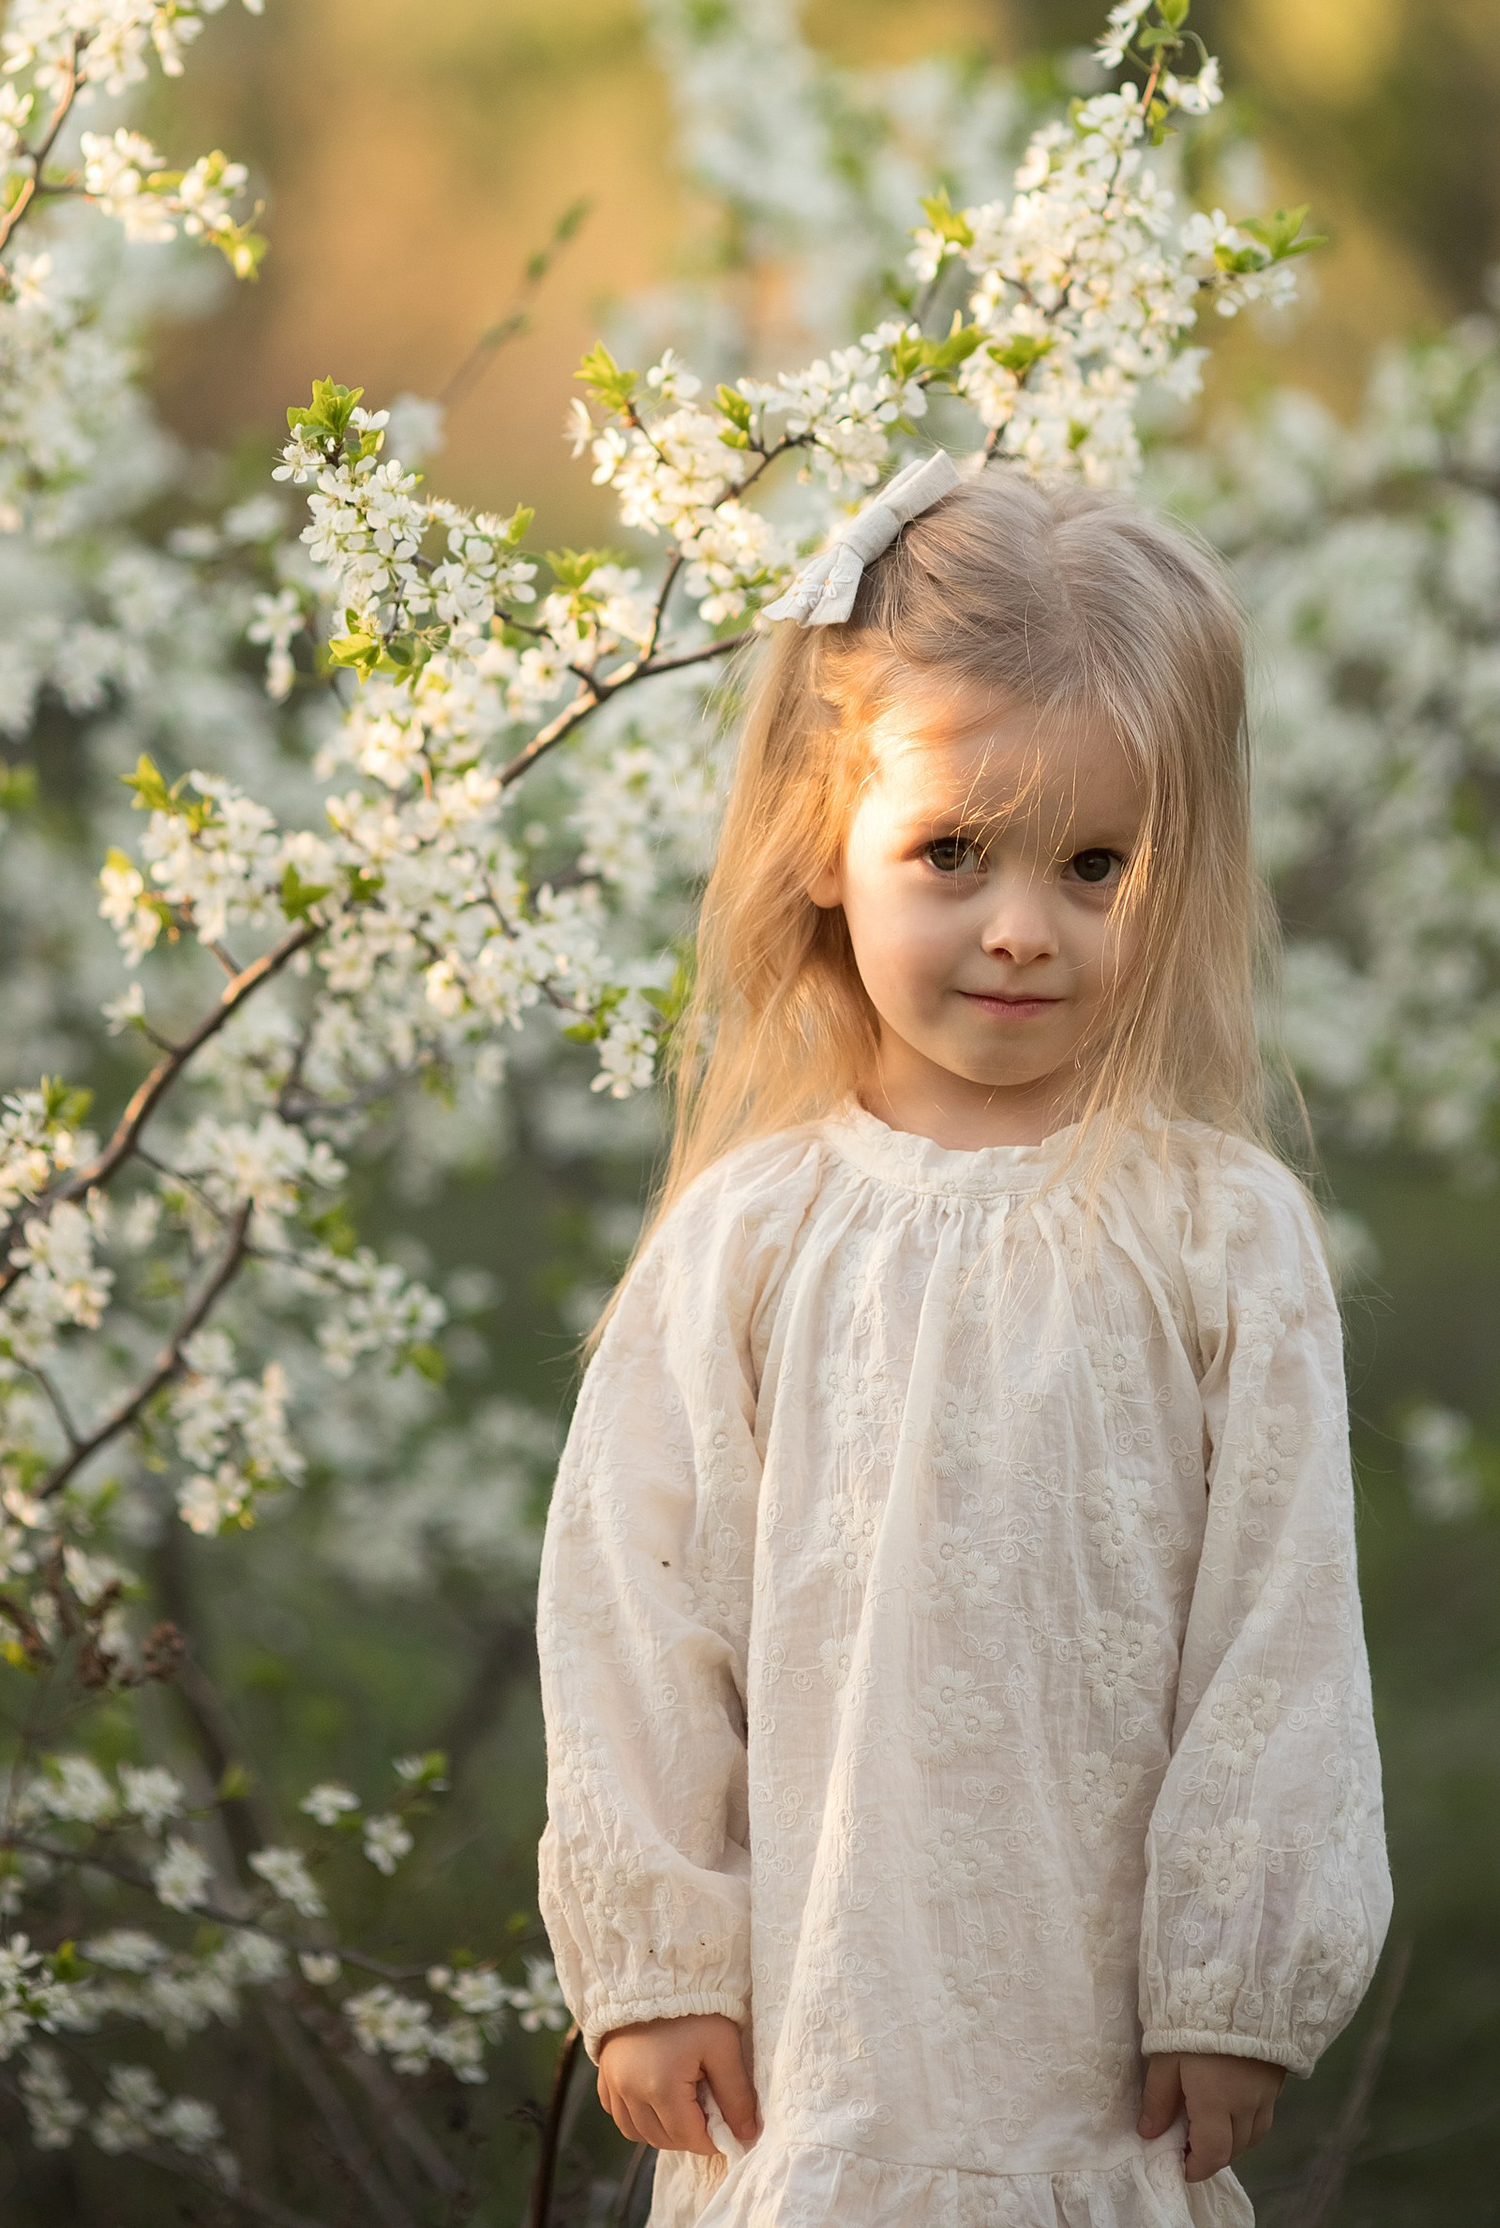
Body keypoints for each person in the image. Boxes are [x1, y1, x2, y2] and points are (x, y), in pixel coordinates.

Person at [535, 460, 1391, 2222]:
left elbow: (1280, 1628)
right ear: (821, 845)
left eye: (1098, 865)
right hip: (813, 2042)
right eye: (952, 851)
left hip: (1098, 2061)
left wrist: (1237, 1976)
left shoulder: (1221, 1238)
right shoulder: (751, 1237)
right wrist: (658, 1952)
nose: (1022, 923)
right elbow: (635, 1602)